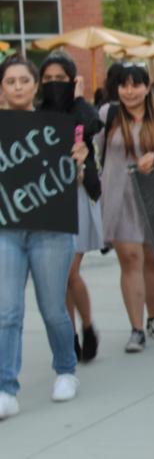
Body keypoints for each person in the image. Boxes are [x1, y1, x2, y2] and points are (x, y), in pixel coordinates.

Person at [0, 56, 89, 418]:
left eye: (25, 80)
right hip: (6, 229)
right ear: (2, 87)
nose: (18, 86)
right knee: (7, 311)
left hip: (51, 230)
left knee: (53, 309)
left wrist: (79, 162)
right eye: (11, 81)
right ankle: (6, 387)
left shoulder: (59, 125)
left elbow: (77, 181)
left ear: (36, 86)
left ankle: (66, 370)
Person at [95, 63, 154, 352]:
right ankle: (136, 328)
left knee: (152, 259)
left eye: (135, 85)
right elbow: (94, 149)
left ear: (147, 87)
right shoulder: (108, 115)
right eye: (123, 85)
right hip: (119, 196)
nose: (129, 91)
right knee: (130, 259)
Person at [38, 54, 103, 363]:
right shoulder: (37, 113)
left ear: (72, 80)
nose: (53, 85)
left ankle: (87, 326)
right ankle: (71, 334)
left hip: (77, 195)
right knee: (62, 276)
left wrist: (76, 98)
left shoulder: (80, 112)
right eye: (47, 79)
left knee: (70, 270)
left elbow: (94, 123)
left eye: (60, 79)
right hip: (48, 198)